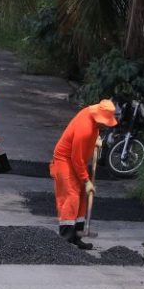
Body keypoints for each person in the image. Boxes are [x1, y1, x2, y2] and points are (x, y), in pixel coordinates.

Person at [50, 98, 118, 249]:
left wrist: (96, 139)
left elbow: (82, 151)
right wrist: (87, 181)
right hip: (64, 161)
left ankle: (77, 236)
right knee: (72, 196)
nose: (106, 125)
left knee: (82, 196)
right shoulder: (85, 129)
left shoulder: (91, 116)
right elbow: (76, 158)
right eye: (104, 123)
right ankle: (65, 238)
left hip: (76, 160)